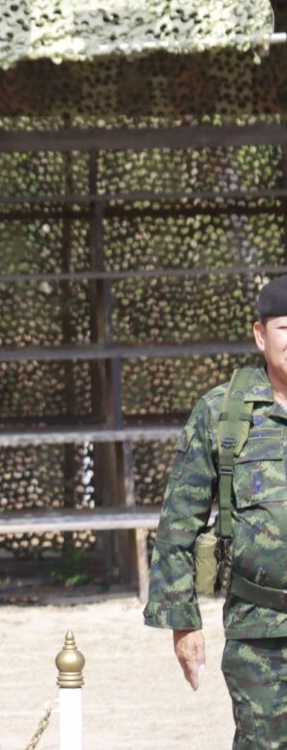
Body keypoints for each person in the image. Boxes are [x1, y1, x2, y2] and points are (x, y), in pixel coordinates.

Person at [144, 274, 287, 747]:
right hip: (261, 634)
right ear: (261, 335)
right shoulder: (223, 413)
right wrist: (182, 621)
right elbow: (177, 524)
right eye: (286, 328)